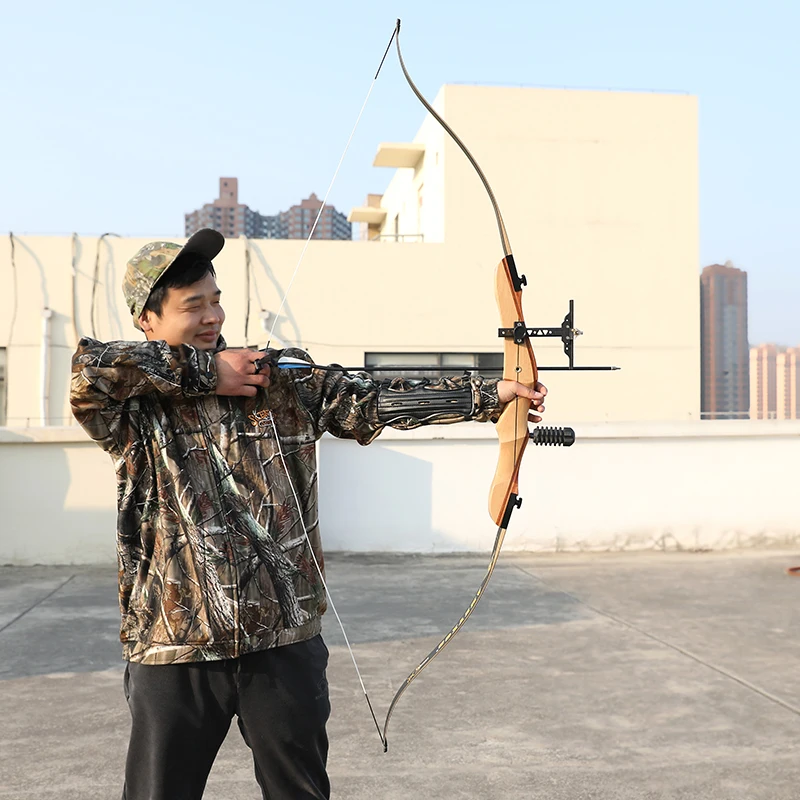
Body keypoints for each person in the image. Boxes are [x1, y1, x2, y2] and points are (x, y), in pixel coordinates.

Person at [70, 229, 547, 800]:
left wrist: (487, 395)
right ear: (147, 320)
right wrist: (209, 374)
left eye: (216, 300)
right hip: (173, 646)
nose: (212, 316)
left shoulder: (275, 381)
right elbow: (88, 367)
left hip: (283, 640)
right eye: (192, 306)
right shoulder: (131, 406)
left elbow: (371, 397)